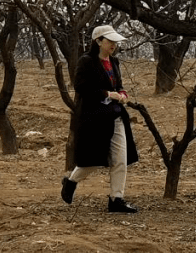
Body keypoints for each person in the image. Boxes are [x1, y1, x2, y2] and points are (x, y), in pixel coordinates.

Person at [60, 24, 140, 213]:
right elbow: (81, 87)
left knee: (120, 159)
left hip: (116, 115)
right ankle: (71, 181)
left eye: (115, 41)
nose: (113, 45)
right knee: (94, 159)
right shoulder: (86, 62)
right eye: (109, 41)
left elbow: (118, 85)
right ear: (98, 41)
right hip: (94, 118)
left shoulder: (114, 62)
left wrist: (121, 93)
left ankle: (116, 199)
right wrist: (107, 93)